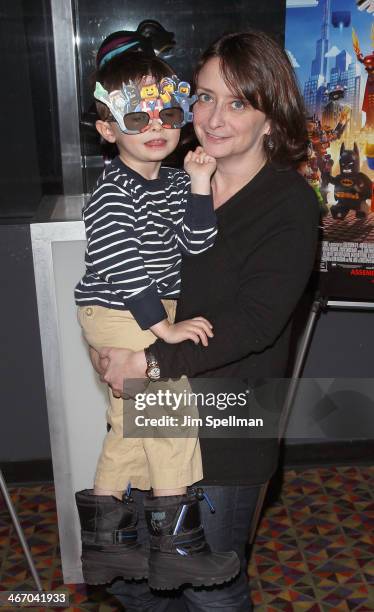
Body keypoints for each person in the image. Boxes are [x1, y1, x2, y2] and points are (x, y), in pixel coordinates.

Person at [91, 29, 320, 611]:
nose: (213, 117)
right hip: (158, 405)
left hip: (228, 422)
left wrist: (148, 358)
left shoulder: (288, 203)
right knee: (131, 580)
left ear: (273, 117)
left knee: (207, 588)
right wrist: (111, 339)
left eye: (238, 101)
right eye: (203, 96)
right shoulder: (168, 183)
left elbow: (254, 324)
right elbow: (124, 271)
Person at [74, 45, 240, 588]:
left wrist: (197, 187)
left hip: (147, 309)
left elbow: (198, 243)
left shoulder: (171, 184)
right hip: (122, 307)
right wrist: (162, 329)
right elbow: (123, 268)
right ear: (106, 128)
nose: (156, 127)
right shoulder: (110, 193)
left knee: (129, 428)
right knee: (170, 417)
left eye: (168, 115)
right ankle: (178, 550)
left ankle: (103, 549)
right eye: (136, 117)